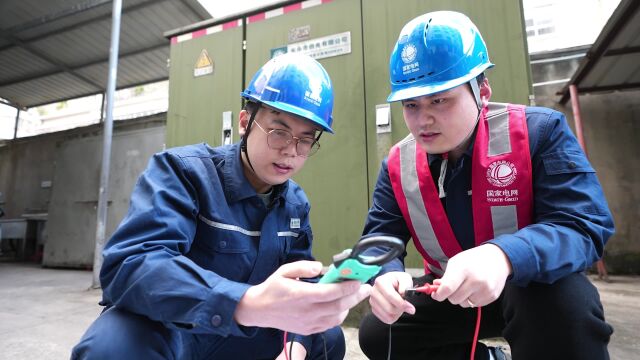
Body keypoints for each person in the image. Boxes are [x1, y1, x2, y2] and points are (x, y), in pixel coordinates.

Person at [72, 53, 371, 360]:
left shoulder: (294, 203)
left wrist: (295, 344)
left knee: (325, 338)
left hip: (244, 329)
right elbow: (131, 264)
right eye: (279, 132)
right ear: (245, 122)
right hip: (179, 329)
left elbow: (301, 281)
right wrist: (244, 302)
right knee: (111, 347)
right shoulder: (183, 172)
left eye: (305, 140)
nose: (291, 152)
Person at [357, 11, 614, 360]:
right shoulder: (397, 165)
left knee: (568, 307)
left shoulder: (539, 133)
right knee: (379, 331)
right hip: (451, 291)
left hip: (528, 286)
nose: (423, 119)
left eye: (440, 100)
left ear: (482, 91)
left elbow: (584, 225)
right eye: (411, 105)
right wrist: (384, 278)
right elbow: (378, 240)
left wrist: (504, 255)